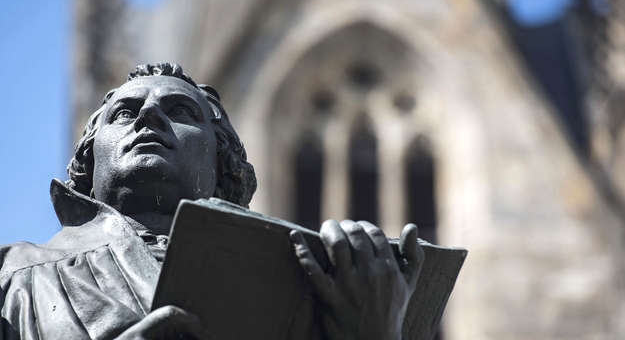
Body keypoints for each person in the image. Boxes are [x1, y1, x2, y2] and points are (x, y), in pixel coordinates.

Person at [0, 63, 424, 339]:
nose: (149, 117)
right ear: (88, 164)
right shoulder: (13, 277)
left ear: (224, 166)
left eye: (182, 112)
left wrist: (374, 329)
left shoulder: (306, 287)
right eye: (124, 114)